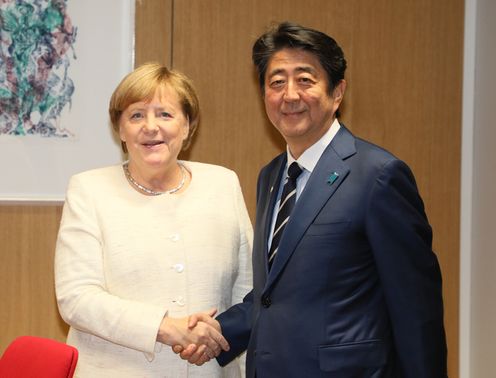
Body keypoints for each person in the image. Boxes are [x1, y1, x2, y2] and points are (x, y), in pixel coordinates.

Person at [179, 22, 448, 377]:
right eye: (276, 82)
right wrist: (219, 331)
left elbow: (417, 309)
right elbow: (273, 294)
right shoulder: (271, 176)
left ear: (337, 92)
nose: (289, 95)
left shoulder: (378, 175)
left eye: (305, 79)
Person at [54, 62, 253, 377]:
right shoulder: (89, 190)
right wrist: (165, 327)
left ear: (188, 125)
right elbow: (76, 298)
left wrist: (218, 336)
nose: (151, 126)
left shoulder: (223, 183)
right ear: (120, 129)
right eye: (136, 115)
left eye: (165, 114)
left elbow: (248, 290)